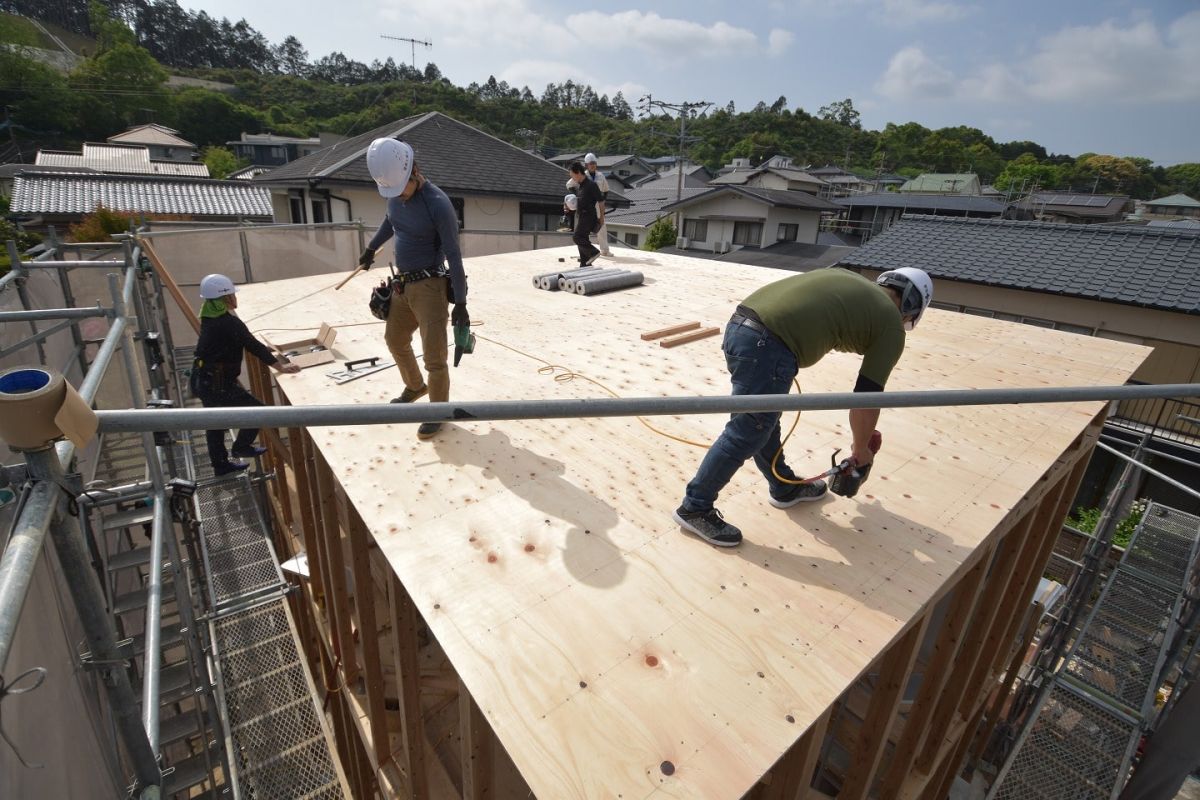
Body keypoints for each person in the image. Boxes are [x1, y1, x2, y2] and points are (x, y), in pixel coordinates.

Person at [672, 267, 934, 547]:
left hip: (741, 327)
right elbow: (866, 399)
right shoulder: (891, 325)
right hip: (768, 343)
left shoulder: (855, 283)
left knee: (762, 423)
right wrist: (861, 452)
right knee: (748, 430)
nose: (904, 321)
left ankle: (783, 487)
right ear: (910, 307)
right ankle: (695, 507)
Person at [358, 138, 468, 440]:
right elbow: (390, 221)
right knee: (394, 339)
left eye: (402, 189)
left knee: (434, 357)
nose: (399, 196)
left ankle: (438, 412)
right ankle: (415, 386)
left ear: (414, 172)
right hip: (402, 285)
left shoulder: (437, 204)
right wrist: (371, 248)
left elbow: (454, 255)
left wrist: (460, 302)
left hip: (430, 287)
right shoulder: (394, 192)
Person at [190, 273, 300, 476]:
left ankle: (220, 466)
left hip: (203, 378)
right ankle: (241, 447)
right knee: (257, 412)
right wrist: (280, 366)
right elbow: (253, 346)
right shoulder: (229, 323)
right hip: (217, 383)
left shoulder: (208, 316)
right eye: (232, 294)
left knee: (214, 424)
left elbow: (239, 341)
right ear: (225, 298)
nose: (235, 298)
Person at [569, 161, 604, 267]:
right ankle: (585, 265)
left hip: (589, 216)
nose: (572, 178)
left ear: (578, 172)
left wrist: (602, 217)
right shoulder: (581, 186)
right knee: (582, 239)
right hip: (582, 216)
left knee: (577, 237)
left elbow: (601, 201)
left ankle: (593, 252)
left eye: (572, 175)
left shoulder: (591, 185)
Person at [584, 153, 612, 256]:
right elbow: (570, 184)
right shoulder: (583, 175)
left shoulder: (600, 175)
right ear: (586, 164)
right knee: (585, 227)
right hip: (586, 205)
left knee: (602, 225)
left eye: (594, 163)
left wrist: (602, 201)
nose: (593, 165)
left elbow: (606, 190)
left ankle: (604, 250)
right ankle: (585, 250)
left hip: (598, 204)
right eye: (591, 163)